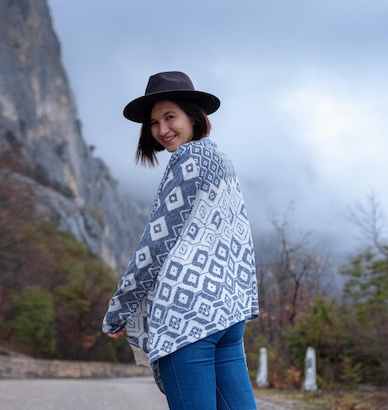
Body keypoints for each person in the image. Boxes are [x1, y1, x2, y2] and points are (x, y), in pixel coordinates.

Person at [102, 71, 259, 410]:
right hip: (227, 314)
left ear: (193, 115)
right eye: (154, 123)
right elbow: (239, 239)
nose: (162, 130)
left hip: (188, 316)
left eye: (170, 117)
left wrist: (120, 308)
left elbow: (155, 243)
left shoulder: (187, 159)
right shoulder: (220, 159)